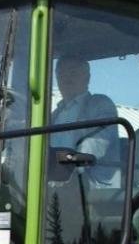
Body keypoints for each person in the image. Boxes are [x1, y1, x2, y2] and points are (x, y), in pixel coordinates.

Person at [50, 56, 120, 185]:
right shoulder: (53, 115)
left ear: (87, 78)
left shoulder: (100, 104)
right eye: (61, 74)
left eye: (73, 73)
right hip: (52, 185)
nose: (66, 78)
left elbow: (96, 145)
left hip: (88, 185)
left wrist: (68, 166)